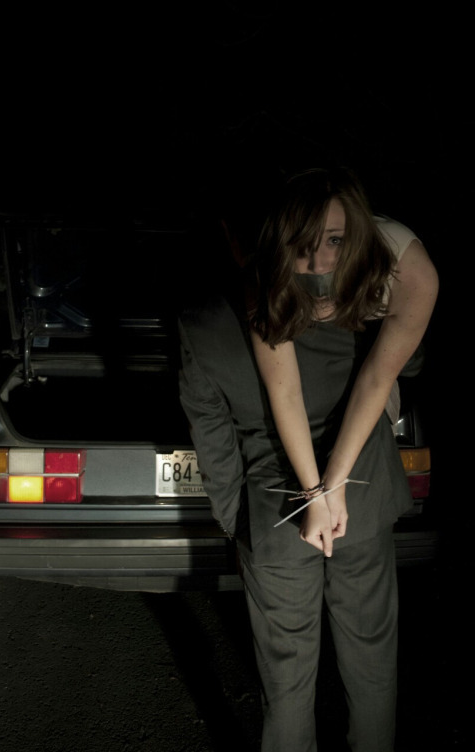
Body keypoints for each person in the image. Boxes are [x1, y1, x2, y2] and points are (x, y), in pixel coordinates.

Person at [178, 166, 439, 752]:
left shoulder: (204, 320)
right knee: (372, 661)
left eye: (333, 242)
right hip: (363, 498)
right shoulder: (355, 302)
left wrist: (238, 521)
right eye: (307, 245)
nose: (319, 261)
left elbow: (213, 431)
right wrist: (327, 491)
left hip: (275, 511)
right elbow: (394, 371)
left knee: (287, 681)